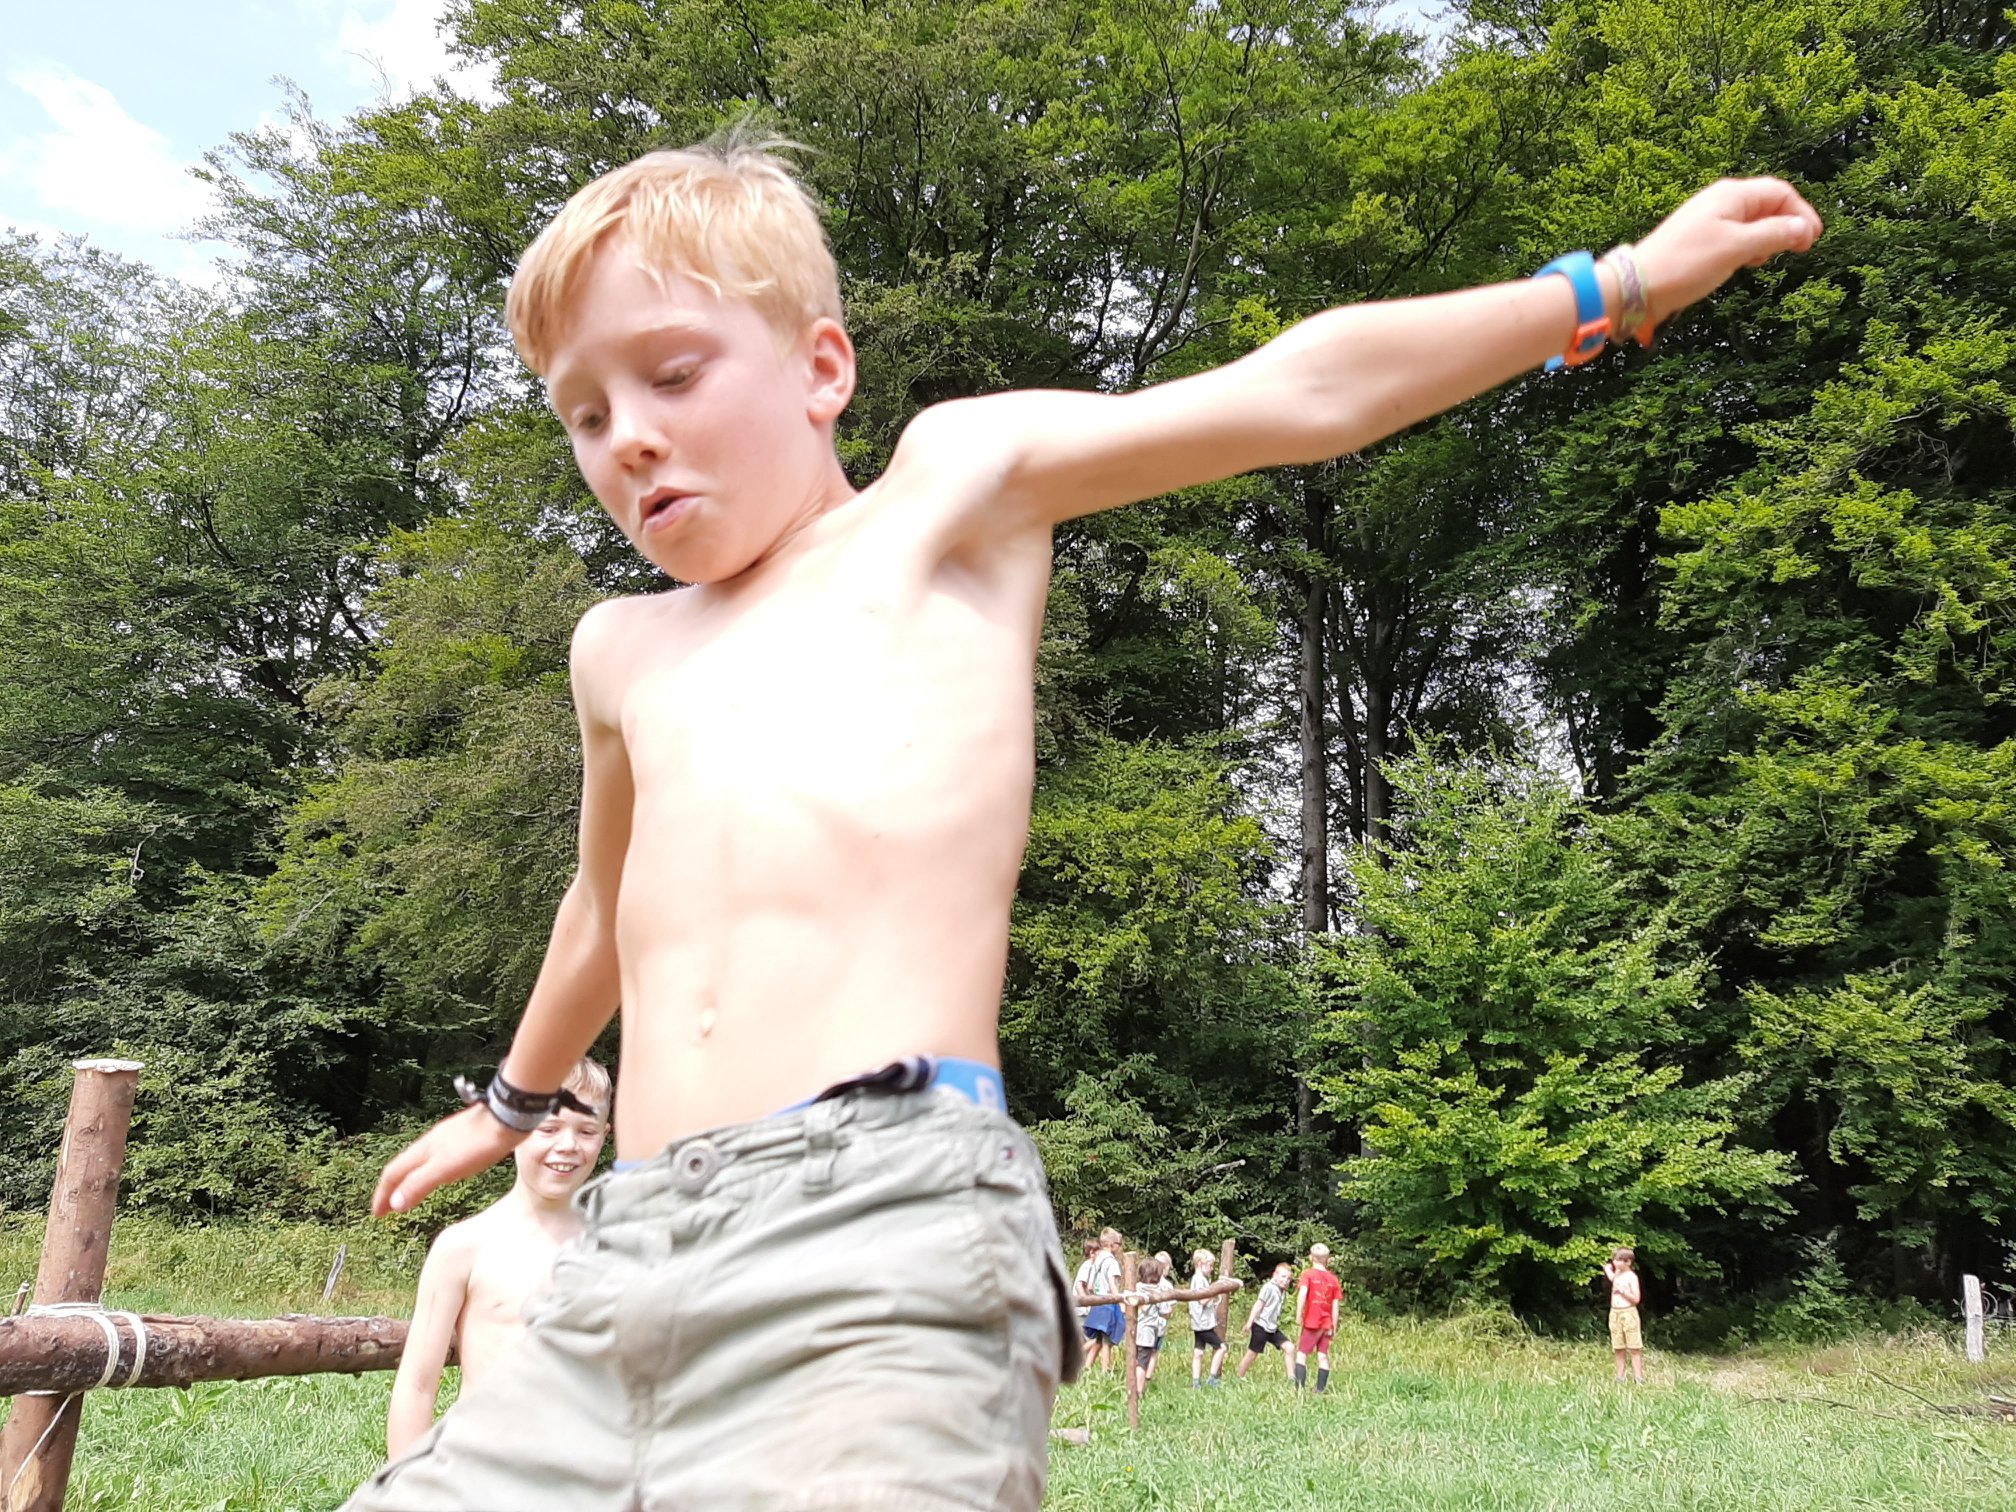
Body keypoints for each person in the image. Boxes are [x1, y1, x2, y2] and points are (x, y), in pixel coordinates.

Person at [347, 121, 1820, 1509]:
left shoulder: (945, 496)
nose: (628, 438)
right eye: (586, 414)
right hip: (631, 1247)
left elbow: (1304, 394)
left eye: (672, 377)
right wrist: (513, 1102)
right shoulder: (620, 650)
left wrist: (1614, 284)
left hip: (877, 1218)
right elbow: (604, 901)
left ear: (821, 367)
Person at [384, 1057, 610, 1459]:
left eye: (586, 1131)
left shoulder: (618, 1245)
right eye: (549, 1128)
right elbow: (416, 1385)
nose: (568, 1145)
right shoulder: (464, 1247)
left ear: (605, 1135)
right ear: (512, 1130)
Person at [1294, 1242, 1343, 1394]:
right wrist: (1334, 1326)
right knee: (1322, 1356)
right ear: (1328, 1259)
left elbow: (1302, 1294)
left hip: (1312, 1322)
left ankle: (1299, 1390)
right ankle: (1320, 1389)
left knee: (1301, 1354)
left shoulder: (1308, 1274)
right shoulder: (1333, 1279)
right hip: (1327, 1324)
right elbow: (1335, 1305)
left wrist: (1298, 1314)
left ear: (1311, 1258)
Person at [1076, 1227, 1126, 1372]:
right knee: (1106, 1342)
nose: (1119, 1248)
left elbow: (1090, 1286)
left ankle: (1087, 1368)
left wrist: (1094, 1297)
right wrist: (1119, 1301)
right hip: (1108, 1304)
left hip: (1097, 1302)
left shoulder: (1097, 1261)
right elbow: (1112, 1283)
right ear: (1112, 1245)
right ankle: (1105, 1372)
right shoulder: (1111, 1262)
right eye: (1118, 1244)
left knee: (1098, 1340)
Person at [1237, 1261, 1296, 1380]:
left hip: (1272, 1327)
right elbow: (1259, 1304)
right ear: (1275, 1275)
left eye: (1288, 1278)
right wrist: (1249, 1322)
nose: (1285, 1280)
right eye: (1283, 1277)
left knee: (1289, 1347)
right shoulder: (1269, 1287)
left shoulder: (1282, 1290)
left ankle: (1291, 1378)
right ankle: (1239, 1376)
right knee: (1252, 1353)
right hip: (1261, 1325)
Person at [1131, 1256, 1175, 1398]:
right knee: (1142, 1363)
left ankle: (1132, 1386)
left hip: (1134, 1330)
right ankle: (1139, 1390)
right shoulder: (1157, 1292)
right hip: (1147, 1332)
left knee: (1135, 1359)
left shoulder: (1136, 1287)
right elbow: (1165, 1311)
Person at [1602, 1247, 1646, 1384]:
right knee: (1618, 1347)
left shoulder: (1631, 1277)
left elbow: (1636, 1299)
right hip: (1615, 1313)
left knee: (1634, 1347)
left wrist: (1622, 1291)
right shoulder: (1618, 1274)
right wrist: (1607, 1269)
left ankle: (1638, 1378)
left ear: (1628, 1262)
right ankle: (1620, 1378)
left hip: (1628, 1313)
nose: (1615, 1262)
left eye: (1618, 1260)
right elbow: (1613, 1279)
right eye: (1614, 1260)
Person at [1187, 1249, 1228, 1388]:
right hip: (1203, 1323)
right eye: (1210, 1265)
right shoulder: (1199, 1280)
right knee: (1221, 1347)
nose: (1211, 1269)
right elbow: (1202, 1300)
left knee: (1198, 1352)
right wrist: (1215, 1292)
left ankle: (1196, 1382)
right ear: (1200, 1264)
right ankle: (1212, 1377)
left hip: (1197, 1321)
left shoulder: (1199, 1279)